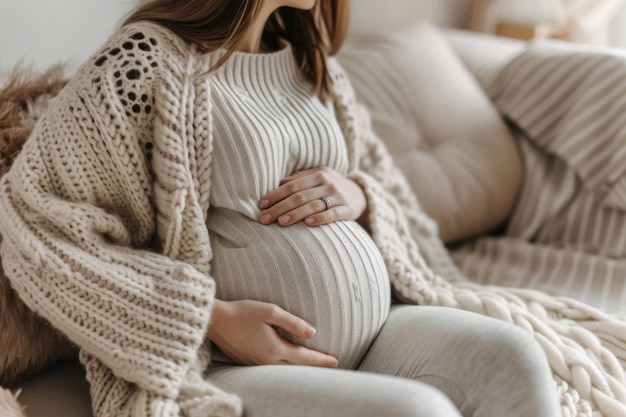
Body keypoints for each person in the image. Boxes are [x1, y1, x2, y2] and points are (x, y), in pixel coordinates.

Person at [0, 1, 562, 416]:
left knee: (513, 356)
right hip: (229, 366)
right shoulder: (144, 63)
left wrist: (360, 194)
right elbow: (37, 223)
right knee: (415, 413)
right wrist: (211, 320)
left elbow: (390, 188)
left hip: (379, 329)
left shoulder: (312, 64)